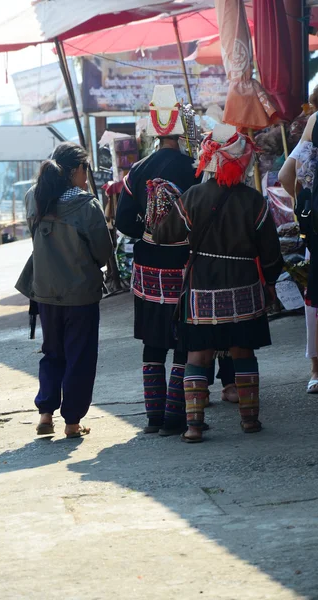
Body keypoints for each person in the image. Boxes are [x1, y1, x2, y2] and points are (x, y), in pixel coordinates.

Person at [116, 85, 236, 437]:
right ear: (183, 129)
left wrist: (150, 230)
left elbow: (124, 223)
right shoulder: (195, 169)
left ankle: (154, 419)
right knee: (186, 341)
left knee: (153, 343)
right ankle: (176, 416)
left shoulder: (137, 171)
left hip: (149, 269)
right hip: (186, 266)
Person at [155, 127, 284, 443]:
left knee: (198, 355)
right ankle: (250, 420)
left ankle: (194, 427)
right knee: (243, 353)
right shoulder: (255, 201)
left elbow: (162, 236)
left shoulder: (193, 197)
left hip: (202, 291)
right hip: (244, 289)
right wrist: (270, 283)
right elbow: (270, 253)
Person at [16, 142, 113, 437]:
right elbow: (103, 252)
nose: (88, 175)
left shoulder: (34, 197)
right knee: (79, 356)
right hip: (80, 293)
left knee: (52, 352)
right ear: (74, 171)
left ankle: (45, 415)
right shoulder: (86, 205)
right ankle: (72, 422)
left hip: (44, 290)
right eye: (86, 168)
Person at [279, 88, 318, 393]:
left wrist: (302, 202)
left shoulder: (316, 120)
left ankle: (316, 369)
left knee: (315, 293)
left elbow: (285, 174)